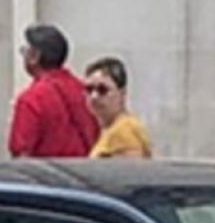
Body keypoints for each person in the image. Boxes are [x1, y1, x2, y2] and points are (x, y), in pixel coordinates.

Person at [8, 23, 99, 158]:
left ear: (35, 56)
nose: (23, 56)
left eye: (25, 51)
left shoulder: (31, 100)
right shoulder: (85, 91)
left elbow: (21, 155)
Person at [84, 56, 152, 159]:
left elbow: (128, 173)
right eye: (89, 89)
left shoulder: (124, 131)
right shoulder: (111, 128)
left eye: (102, 90)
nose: (94, 96)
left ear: (122, 94)